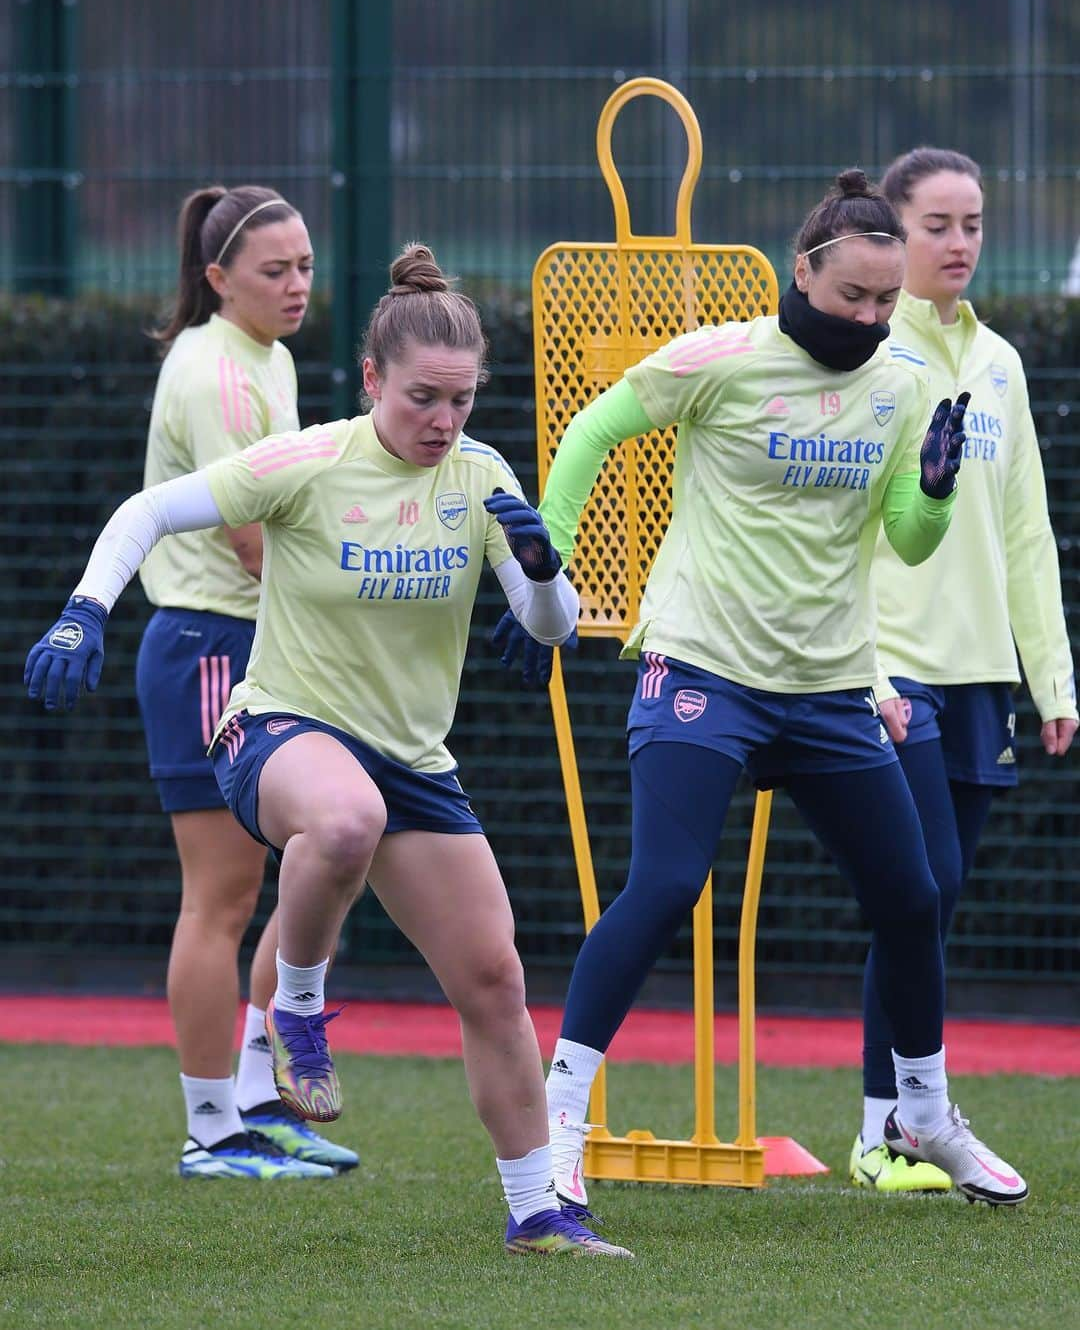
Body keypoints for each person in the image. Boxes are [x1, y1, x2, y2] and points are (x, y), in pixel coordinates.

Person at [25, 243, 633, 1257]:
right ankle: (294, 1009)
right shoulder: (308, 461)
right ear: (370, 382)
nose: (441, 422)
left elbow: (551, 625)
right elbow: (147, 511)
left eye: (461, 401)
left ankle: (538, 1210)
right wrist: (84, 610)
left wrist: (540, 567)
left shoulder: (481, 475)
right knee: (343, 817)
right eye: (421, 399)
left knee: (493, 977)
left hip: (413, 759)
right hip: (278, 728)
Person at [531, 168, 1030, 1214]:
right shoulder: (724, 357)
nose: (871, 316)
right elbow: (589, 435)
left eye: (887, 301)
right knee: (667, 883)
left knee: (912, 897)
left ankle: (924, 1114)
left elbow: (905, 536)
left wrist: (935, 487)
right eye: (853, 294)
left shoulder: (900, 384)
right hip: (705, 664)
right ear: (802, 272)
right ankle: (560, 1120)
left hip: (828, 685)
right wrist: (551, 569)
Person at [846, 148, 1077, 1193]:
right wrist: (862, 663)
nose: (960, 242)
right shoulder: (862, 353)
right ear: (894, 232)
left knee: (934, 900)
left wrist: (1052, 678)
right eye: (937, 222)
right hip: (893, 663)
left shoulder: (1001, 363)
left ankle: (903, 1118)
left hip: (984, 668)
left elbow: (1026, 530)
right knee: (917, 885)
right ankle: (881, 1125)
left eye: (973, 222)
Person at [139, 184, 354, 1178]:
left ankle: (259, 1097)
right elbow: (253, 538)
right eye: (276, 270)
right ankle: (211, 1130)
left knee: (310, 862)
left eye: (305, 265)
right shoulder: (214, 373)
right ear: (219, 277)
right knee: (220, 897)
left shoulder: (266, 356)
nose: (298, 284)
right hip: (209, 643)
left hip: (257, 644)